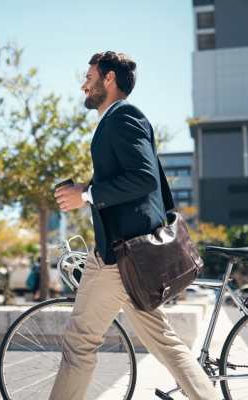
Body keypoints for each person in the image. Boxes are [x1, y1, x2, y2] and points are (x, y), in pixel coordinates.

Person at [51, 51, 220, 400]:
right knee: (166, 344)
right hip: (133, 257)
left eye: (89, 75)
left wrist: (88, 195)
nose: (84, 83)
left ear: (108, 79)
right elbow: (140, 182)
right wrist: (86, 190)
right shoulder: (117, 121)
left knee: (79, 340)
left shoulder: (123, 116)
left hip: (118, 257)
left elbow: (143, 178)